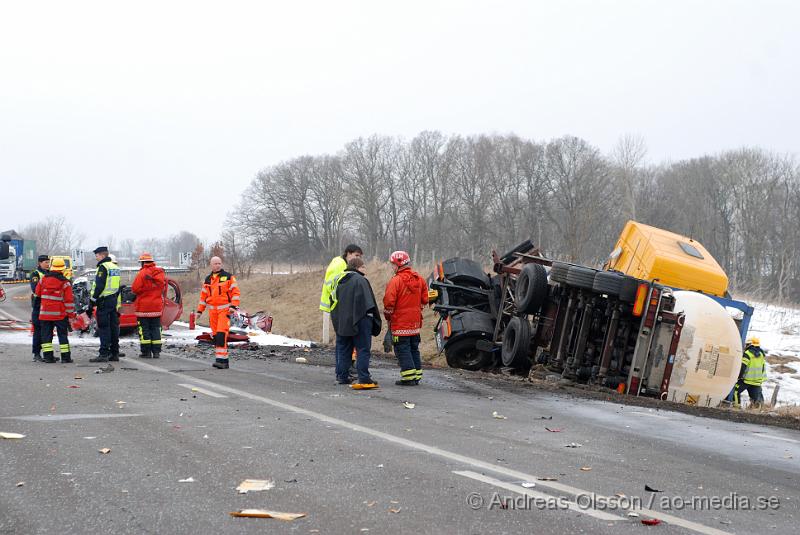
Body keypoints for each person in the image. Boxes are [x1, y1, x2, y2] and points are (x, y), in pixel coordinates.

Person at [330, 257, 381, 388]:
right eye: (364, 267)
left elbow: (332, 301)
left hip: (342, 321)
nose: (365, 270)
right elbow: (369, 303)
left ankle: (342, 376)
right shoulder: (361, 280)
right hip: (360, 320)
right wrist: (374, 321)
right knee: (362, 349)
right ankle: (364, 377)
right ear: (358, 267)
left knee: (343, 349)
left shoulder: (337, 280)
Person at [383, 251, 429, 386]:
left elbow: (388, 303)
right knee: (414, 349)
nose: (392, 267)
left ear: (397, 264)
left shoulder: (395, 281)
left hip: (400, 323)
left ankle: (408, 377)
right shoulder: (419, 279)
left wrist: (388, 316)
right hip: (415, 324)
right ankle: (417, 375)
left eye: (392, 264)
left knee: (403, 350)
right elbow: (425, 299)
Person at [196, 256, 240, 369]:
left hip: (224, 311)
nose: (218, 265)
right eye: (215, 263)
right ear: (211, 265)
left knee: (221, 334)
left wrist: (233, 306)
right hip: (213, 312)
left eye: (219, 263)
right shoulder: (208, 279)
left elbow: (236, 293)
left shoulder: (228, 277)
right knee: (216, 336)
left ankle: (223, 361)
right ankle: (221, 360)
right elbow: (203, 297)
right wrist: (199, 311)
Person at [34, 258, 76, 363]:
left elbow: (37, 294)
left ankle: (48, 357)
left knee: (46, 336)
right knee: (62, 336)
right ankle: (66, 358)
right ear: (62, 269)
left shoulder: (43, 279)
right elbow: (69, 301)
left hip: (44, 314)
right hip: (60, 314)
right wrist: (70, 315)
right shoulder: (65, 283)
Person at [89, 246, 122, 363]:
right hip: (113, 301)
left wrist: (93, 299)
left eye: (97, 256)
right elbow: (117, 286)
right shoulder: (115, 267)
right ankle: (114, 353)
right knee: (113, 327)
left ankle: (103, 353)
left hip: (104, 301)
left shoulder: (103, 267)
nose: (96, 258)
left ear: (102, 255)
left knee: (103, 327)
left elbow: (99, 285)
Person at [131, 252, 166, 358]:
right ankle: (156, 352)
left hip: (143, 308)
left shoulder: (142, 273)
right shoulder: (160, 273)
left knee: (144, 329)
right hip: (156, 307)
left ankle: (146, 352)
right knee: (156, 328)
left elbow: (135, 289)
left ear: (142, 263)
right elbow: (162, 287)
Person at [319, 244, 363, 313]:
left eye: (360, 257)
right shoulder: (339, 264)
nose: (358, 258)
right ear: (349, 254)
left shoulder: (345, 264)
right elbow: (331, 286)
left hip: (335, 306)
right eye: (356, 255)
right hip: (332, 306)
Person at [734, 337, 767, 407]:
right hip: (757, 381)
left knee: (734, 391)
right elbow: (763, 368)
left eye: (747, 344)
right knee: (757, 401)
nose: (746, 346)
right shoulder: (761, 354)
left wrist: (738, 377)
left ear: (750, 345)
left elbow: (743, 367)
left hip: (746, 380)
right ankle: (756, 412)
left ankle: (736, 407)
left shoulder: (747, 353)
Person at [29, 255, 50, 362]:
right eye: (46, 262)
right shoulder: (35, 274)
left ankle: (47, 354)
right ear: (40, 263)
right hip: (38, 306)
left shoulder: (49, 273)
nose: (48, 264)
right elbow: (35, 288)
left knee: (47, 331)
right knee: (38, 330)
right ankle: (36, 353)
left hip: (48, 306)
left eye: (48, 262)